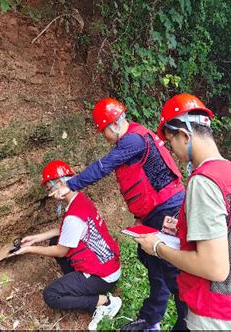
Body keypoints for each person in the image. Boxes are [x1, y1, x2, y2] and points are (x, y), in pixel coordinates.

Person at [135, 93, 231, 330]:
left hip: (219, 315)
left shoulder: (204, 182)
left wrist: (158, 248)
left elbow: (214, 268)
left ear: (185, 135)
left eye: (172, 143)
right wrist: (182, 229)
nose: (174, 153)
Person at [52, 98, 188, 331]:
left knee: (172, 271)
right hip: (158, 210)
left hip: (168, 209)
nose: (103, 136)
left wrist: (71, 184)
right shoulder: (134, 139)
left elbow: (104, 166)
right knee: (153, 264)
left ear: (113, 124)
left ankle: (186, 324)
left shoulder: (133, 141)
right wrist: (143, 216)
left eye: (103, 130)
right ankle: (150, 320)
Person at [10, 160, 122, 330]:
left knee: (51, 295)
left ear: (61, 183)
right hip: (109, 265)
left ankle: (104, 302)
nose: (50, 193)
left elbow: (61, 251)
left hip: (102, 276)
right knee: (56, 240)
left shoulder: (73, 216)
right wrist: (34, 238)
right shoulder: (79, 200)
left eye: (50, 188)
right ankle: (82, 285)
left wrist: (29, 249)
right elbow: (65, 231)